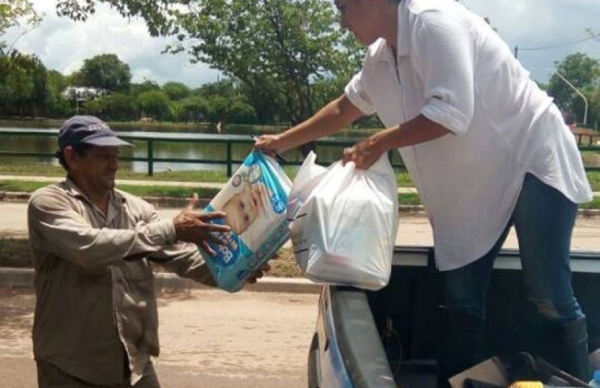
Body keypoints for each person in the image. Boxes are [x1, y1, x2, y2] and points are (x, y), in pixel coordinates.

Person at [255, 0, 594, 384]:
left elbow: (451, 112)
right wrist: (282, 141)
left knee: (547, 293)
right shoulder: (380, 58)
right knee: (462, 297)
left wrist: (380, 142)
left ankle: (579, 380)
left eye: (344, 7)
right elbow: (344, 107)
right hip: (474, 186)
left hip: (531, 162)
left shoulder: (433, 20)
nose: (342, 20)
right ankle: (454, 382)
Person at [28, 115, 266, 388]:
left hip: (134, 364)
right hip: (70, 368)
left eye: (116, 155)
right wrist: (171, 229)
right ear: (72, 157)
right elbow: (91, 248)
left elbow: (181, 257)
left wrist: (240, 268)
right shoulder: (48, 203)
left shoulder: (136, 208)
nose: (114, 165)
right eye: (104, 156)